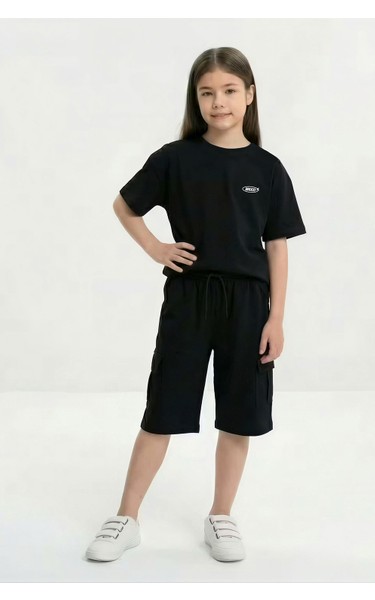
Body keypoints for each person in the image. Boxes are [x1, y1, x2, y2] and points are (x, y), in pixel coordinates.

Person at [85, 46, 306, 564]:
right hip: (189, 298)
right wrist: (156, 248)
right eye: (207, 93)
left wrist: (276, 317)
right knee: (163, 407)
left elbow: (277, 246)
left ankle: (221, 515)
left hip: (248, 304)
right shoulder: (175, 158)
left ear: (249, 95)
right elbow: (125, 205)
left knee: (240, 413)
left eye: (229, 91)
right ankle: (126, 517)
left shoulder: (268, 169)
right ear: (196, 99)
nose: (218, 102)